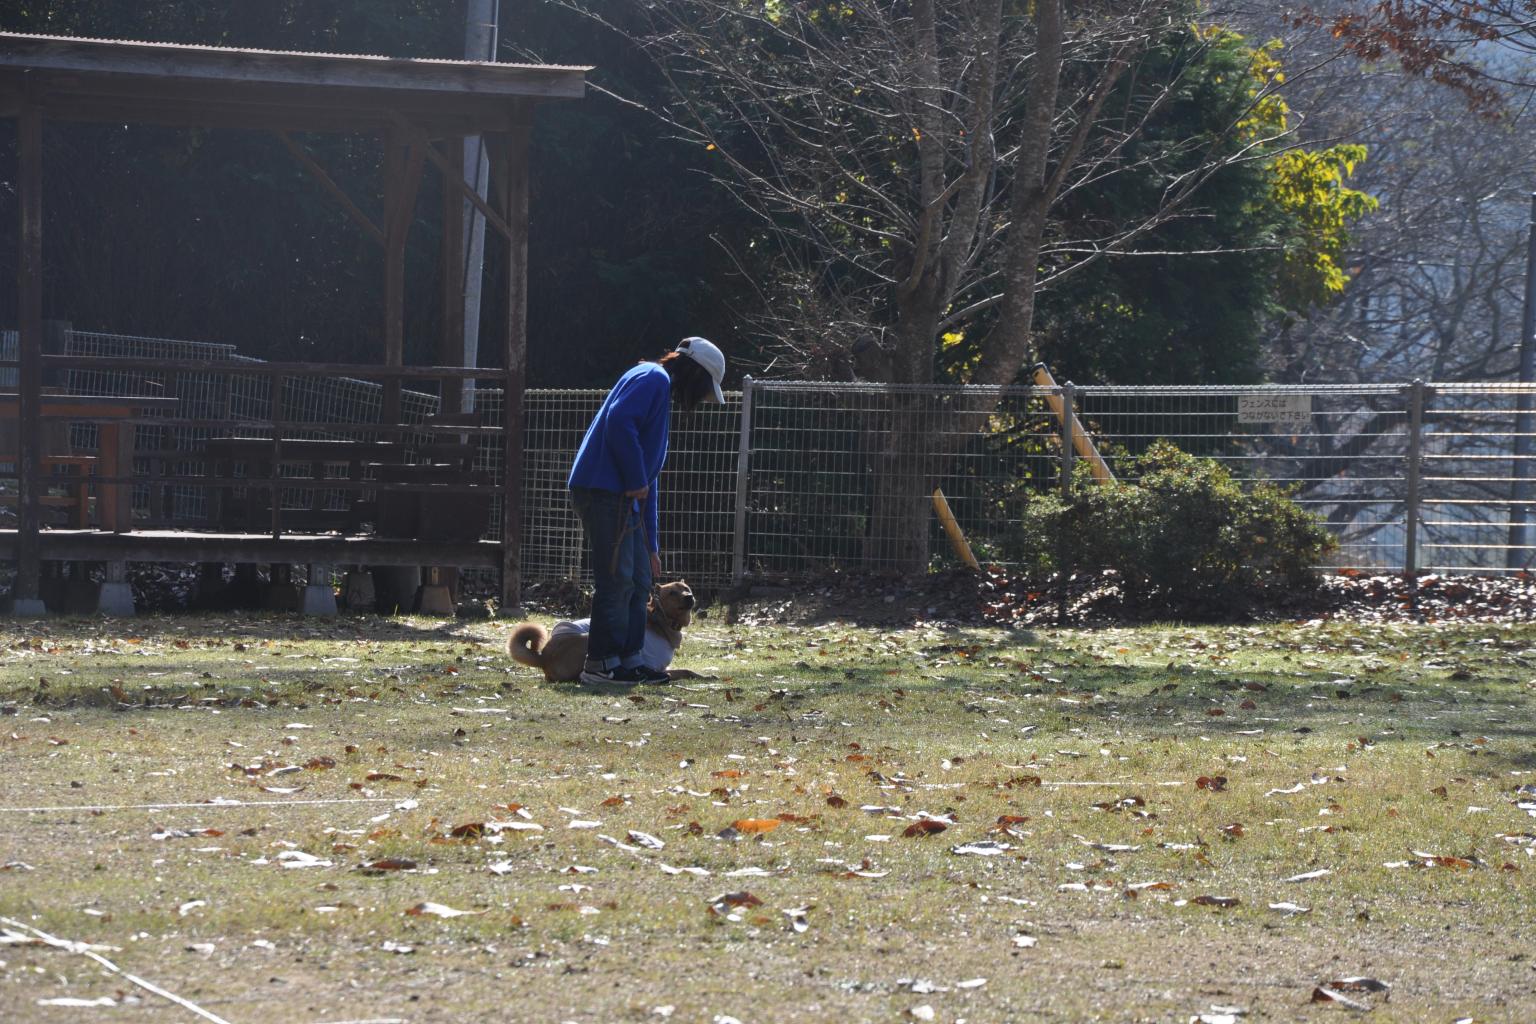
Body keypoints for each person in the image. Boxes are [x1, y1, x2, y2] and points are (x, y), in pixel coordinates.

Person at [567, 337, 726, 686]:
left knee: (640, 582)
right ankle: (601, 665)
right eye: (704, 389)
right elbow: (619, 421)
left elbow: (649, 481)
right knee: (617, 580)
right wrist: (635, 477)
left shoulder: (660, 392)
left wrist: (651, 546)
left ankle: (630, 660)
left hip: (622, 496)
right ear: (696, 375)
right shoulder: (652, 377)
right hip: (602, 489)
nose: (701, 399)